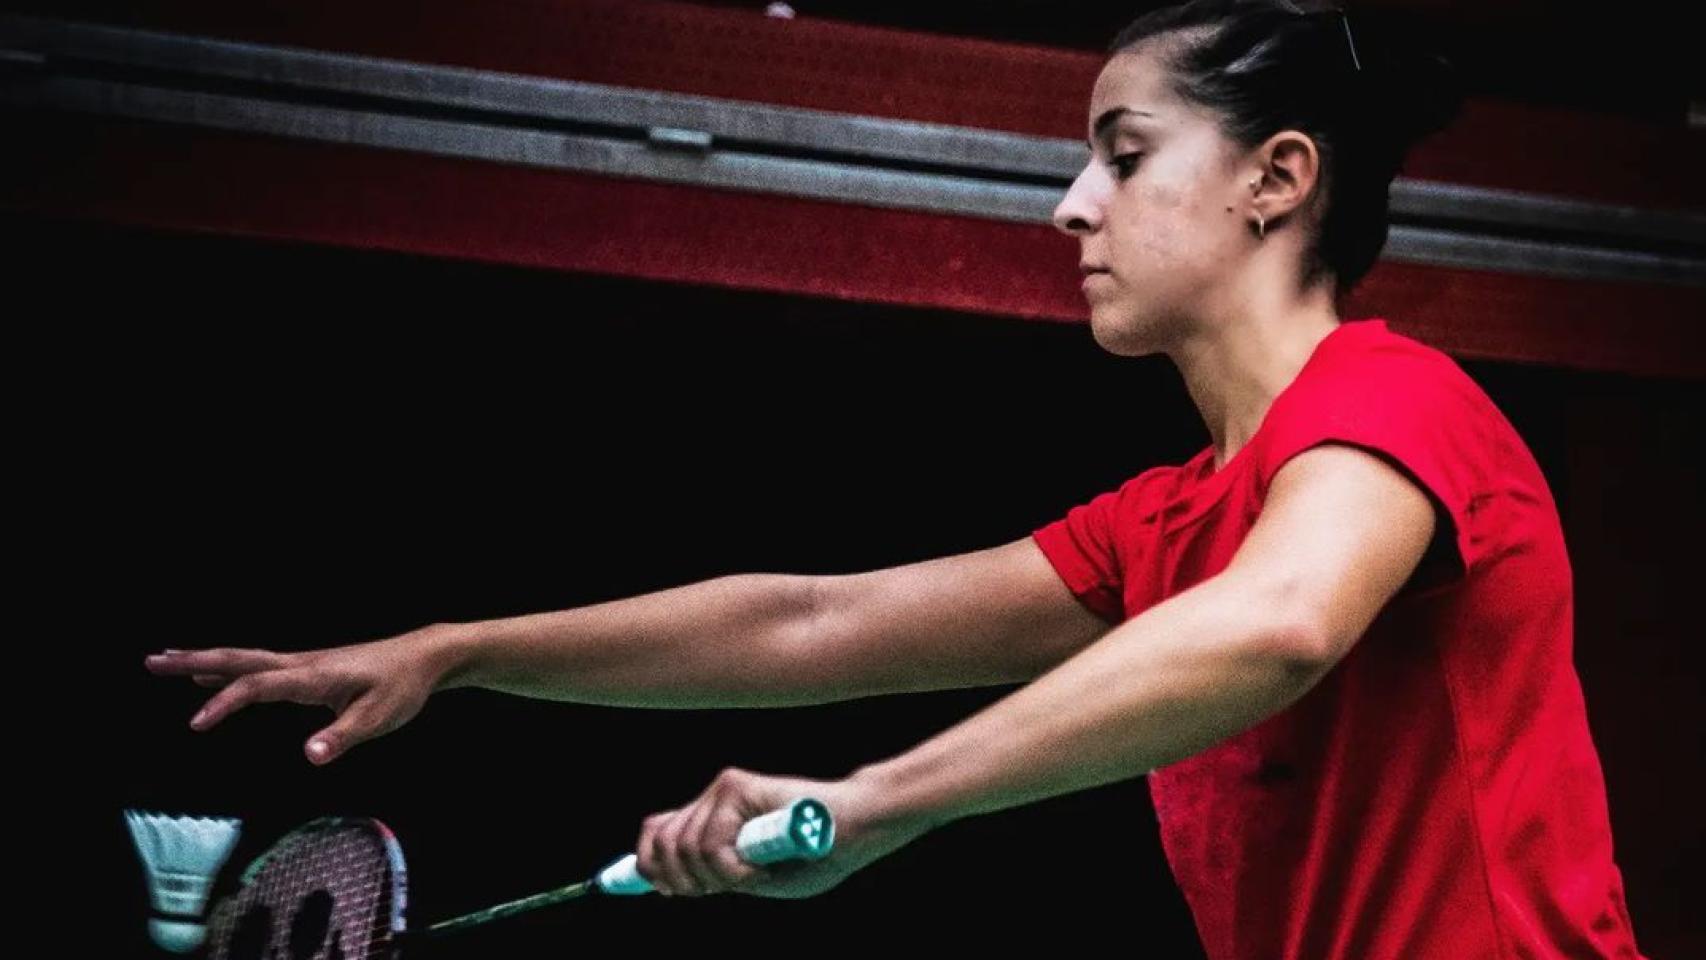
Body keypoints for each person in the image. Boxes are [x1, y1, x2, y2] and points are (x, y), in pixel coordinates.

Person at [147, 2, 1645, 955]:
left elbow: (1277, 626)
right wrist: (461, 655)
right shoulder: (1163, 525)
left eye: (1124, 156)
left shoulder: (1401, 404)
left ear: (1277, 178)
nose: (1071, 206)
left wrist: (877, 808)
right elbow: (814, 623)